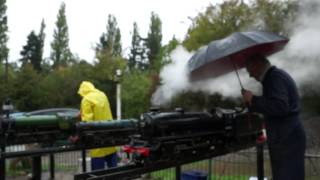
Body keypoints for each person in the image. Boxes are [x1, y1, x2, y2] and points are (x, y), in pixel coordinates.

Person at [242, 54, 306, 180]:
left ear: (258, 65)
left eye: (250, 71)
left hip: (286, 138)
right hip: (287, 136)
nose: (250, 75)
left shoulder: (274, 77)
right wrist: (253, 103)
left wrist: (253, 100)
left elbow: (280, 107)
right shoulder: (275, 76)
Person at [77, 81, 118, 170]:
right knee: (114, 171)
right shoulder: (102, 94)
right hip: (110, 137)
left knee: (97, 173)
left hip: (97, 140)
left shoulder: (86, 100)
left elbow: (87, 123)